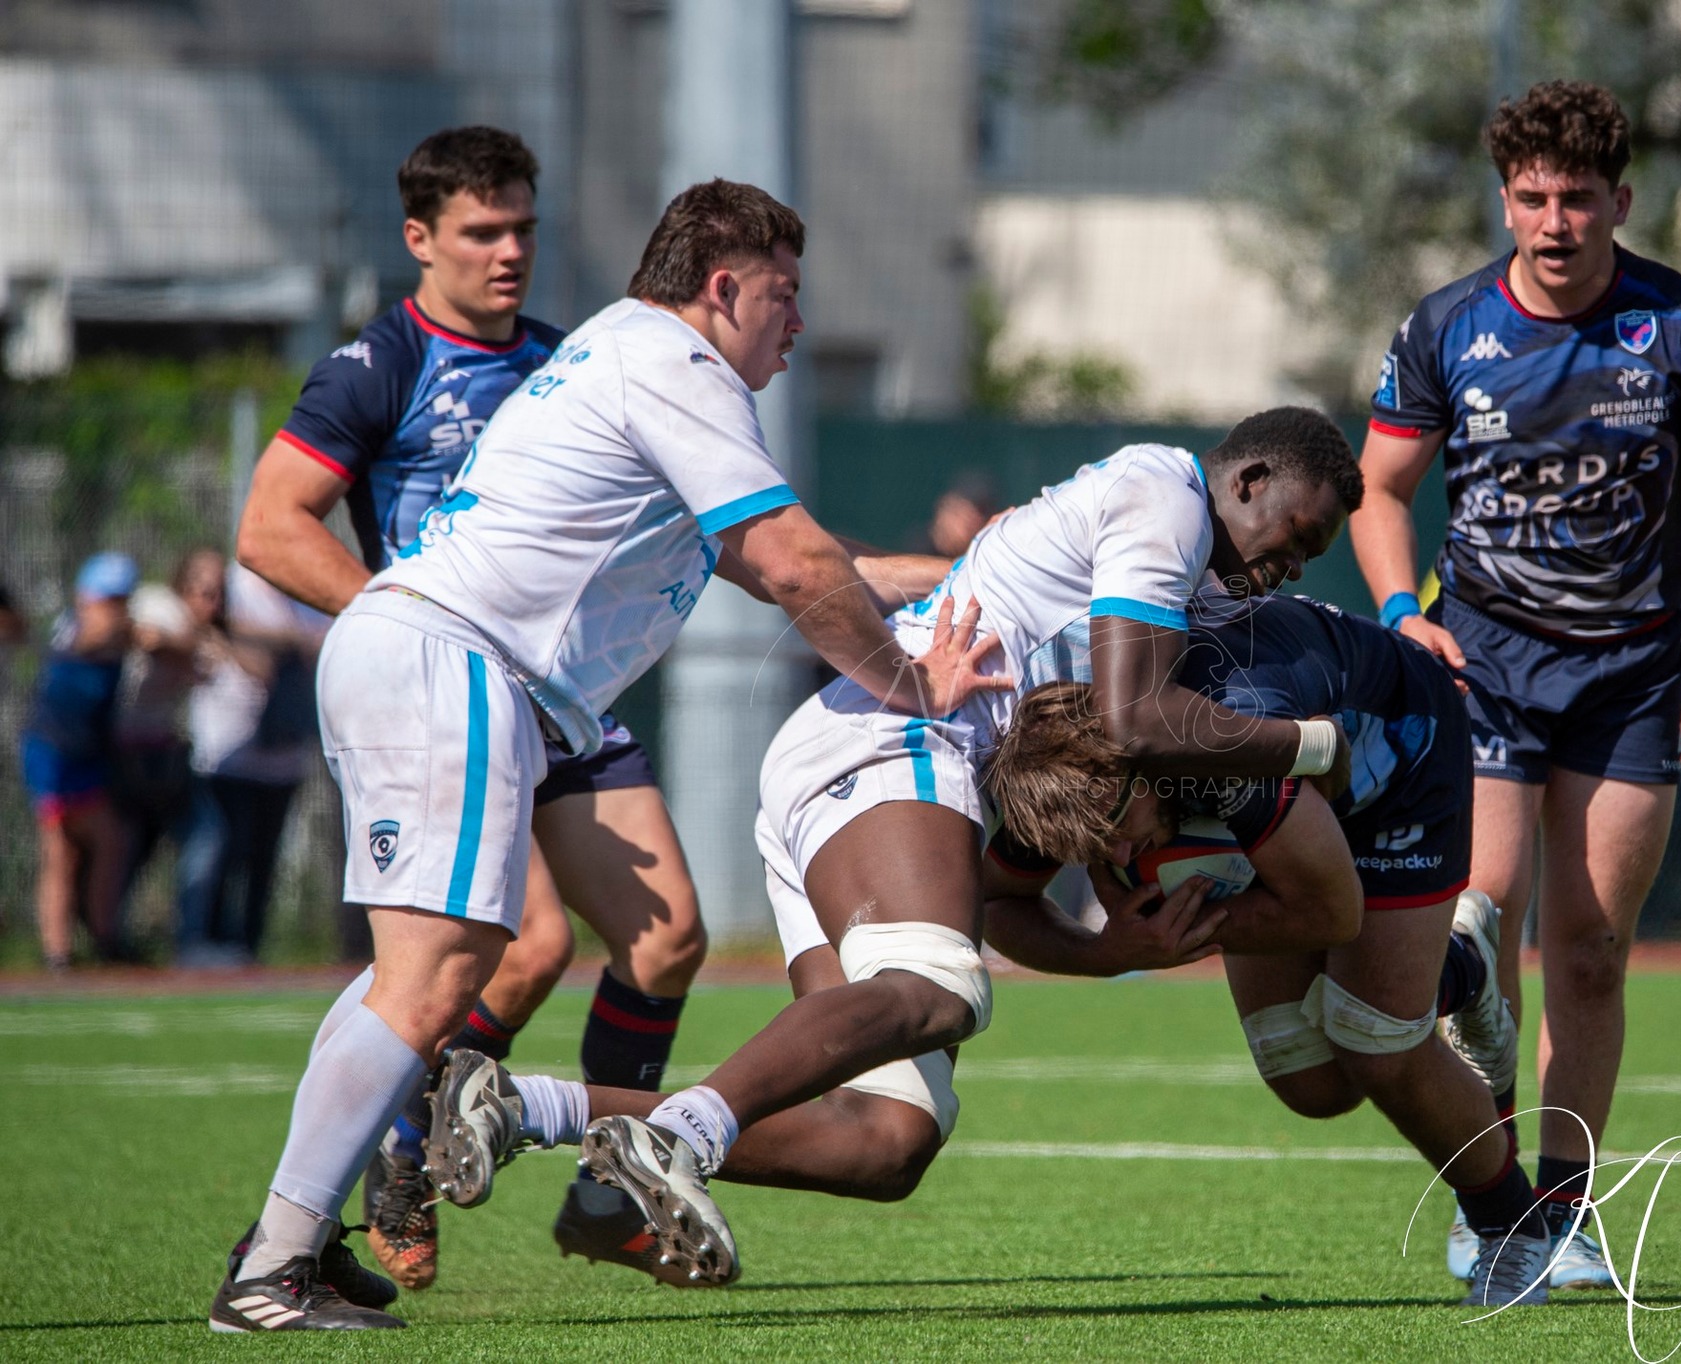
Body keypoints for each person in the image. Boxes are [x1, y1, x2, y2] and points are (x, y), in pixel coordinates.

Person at [208, 175, 1004, 1332]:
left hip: (432, 656)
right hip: (457, 659)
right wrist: (912, 678)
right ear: (723, 288)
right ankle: (272, 1269)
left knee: (431, 968)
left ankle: (294, 1242)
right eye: (784, 296)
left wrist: (959, 579)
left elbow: (789, 558)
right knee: (438, 974)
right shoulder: (674, 363)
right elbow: (788, 561)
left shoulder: (619, 355)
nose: (796, 324)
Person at [419, 409, 1364, 1291]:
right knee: (944, 987)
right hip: (896, 743)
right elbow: (1136, 714)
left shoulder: (1175, 557)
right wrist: (1316, 746)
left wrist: (1104, 954)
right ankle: (682, 1135)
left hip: (866, 758)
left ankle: (524, 1107)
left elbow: (1008, 894)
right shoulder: (1169, 492)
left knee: (887, 1139)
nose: (1295, 565)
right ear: (1247, 480)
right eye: (1300, 534)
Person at [236, 125, 707, 1290]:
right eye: (481, 230)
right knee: (527, 944)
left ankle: (608, 1185)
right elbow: (269, 527)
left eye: (523, 228)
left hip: (564, 691)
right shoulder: (375, 365)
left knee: (667, 937)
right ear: (420, 239)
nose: (509, 251)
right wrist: (409, 616)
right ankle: (402, 1150)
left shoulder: (566, 362)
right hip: (453, 691)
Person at [1349, 80, 1681, 1290]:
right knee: (1473, 931)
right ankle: (1489, 1204)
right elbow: (1377, 491)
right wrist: (1396, 614)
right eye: (1530, 197)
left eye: (1575, 197)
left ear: (1617, 201)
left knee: (1590, 951)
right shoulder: (1445, 324)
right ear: (1504, 201)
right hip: (1478, 666)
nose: (1552, 220)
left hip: (1629, 677)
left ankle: (1563, 1209)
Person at [982, 592, 1552, 1307]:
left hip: (1399, 762)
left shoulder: (1215, 752)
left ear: (1137, 761)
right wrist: (1108, 953)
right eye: (1095, 849)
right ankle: (1446, 970)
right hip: (1295, 793)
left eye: (1119, 824)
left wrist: (1177, 939)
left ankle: (1512, 1228)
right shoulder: (1064, 784)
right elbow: (997, 901)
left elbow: (1332, 912)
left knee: (1372, 1036)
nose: (1119, 852)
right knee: (1309, 1081)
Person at [182, 565, 329, 963]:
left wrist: (258, 638)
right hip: (226, 754)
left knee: (263, 861)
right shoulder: (232, 586)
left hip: (283, 756)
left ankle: (247, 948)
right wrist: (279, 643)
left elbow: (322, 639)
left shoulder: (305, 587)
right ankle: (197, 942)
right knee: (216, 852)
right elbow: (198, 622)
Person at [22, 553, 137, 970]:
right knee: (60, 853)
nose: (113, 609)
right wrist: (122, 630)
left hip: (88, 755)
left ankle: (104, 938)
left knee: (110, 844)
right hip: (54, 756)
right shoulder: (71, 628)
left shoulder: (120, 634)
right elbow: (89, 638)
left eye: (120, 600)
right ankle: (57, 952)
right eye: (107, 599)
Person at [114, 548, 218, 939]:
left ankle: (189, 940)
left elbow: (209, 673)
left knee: (203, 835)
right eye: (203, 591)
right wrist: (195, 647)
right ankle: (106, 939)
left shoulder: (200, 629)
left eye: (218, 593)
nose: (212, 602)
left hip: (162, 750)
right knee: (126, 846)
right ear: (181, 585)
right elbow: (147, 636)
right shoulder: (162, 605)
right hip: (125, 749)